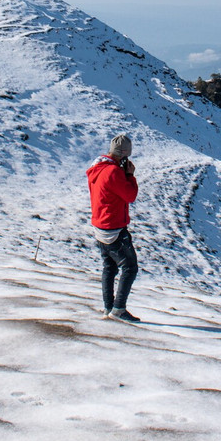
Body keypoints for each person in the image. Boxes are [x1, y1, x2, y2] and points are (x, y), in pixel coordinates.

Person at [86, 134, 140, 322]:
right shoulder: (113, 172)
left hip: (99, 225)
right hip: (114, 227)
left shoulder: (97, 168)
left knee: (109, 267)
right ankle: (118, 309)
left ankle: (108, 307)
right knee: (130, 267)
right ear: (124, 155)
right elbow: (130, 195)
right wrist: (130, 176)